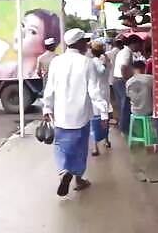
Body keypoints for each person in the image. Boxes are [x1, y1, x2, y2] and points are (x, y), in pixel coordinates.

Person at [42, 28, 108, 197]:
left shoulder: (56, 62)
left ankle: (64, 171)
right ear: (79, 43)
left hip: (61, 115)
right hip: (81, 115)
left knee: (62, 147)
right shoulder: (87, 62)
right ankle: (78, 179)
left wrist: (47, 107)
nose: (87, 44)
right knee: (79, 148)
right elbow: (94, 91)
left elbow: (50, 88)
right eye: (84, 41)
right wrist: (104, 113)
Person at [0, 9, 61, 80]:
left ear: (44, 45)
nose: (21, 32)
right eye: (22, 25)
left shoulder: (51, 72)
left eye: (32, 31)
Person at [112, 34, 143, 135]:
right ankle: (125, 129)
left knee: (122, 105)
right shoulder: (127, 52)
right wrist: (127, 81)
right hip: (121, 80)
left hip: (117, 80)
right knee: (126, 105)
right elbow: (123, 67)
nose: (139, 48)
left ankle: (124, 128)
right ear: (134, 44)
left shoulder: (123, 51)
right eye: (139, 45)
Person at [88, 41, 111, 156]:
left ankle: (95, 146)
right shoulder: (107, 60)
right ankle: (106, 140)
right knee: (104, 116)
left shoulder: (92, 63)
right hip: (105, 91)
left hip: (95, 92)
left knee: (95, 119)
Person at [105, 37, 124, 124]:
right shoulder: (122, 53)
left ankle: (117, 118)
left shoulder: (108, 54)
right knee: (121, 99)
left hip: (110, 79)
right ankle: (121, 118)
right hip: (119, 79)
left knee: (113, 100)